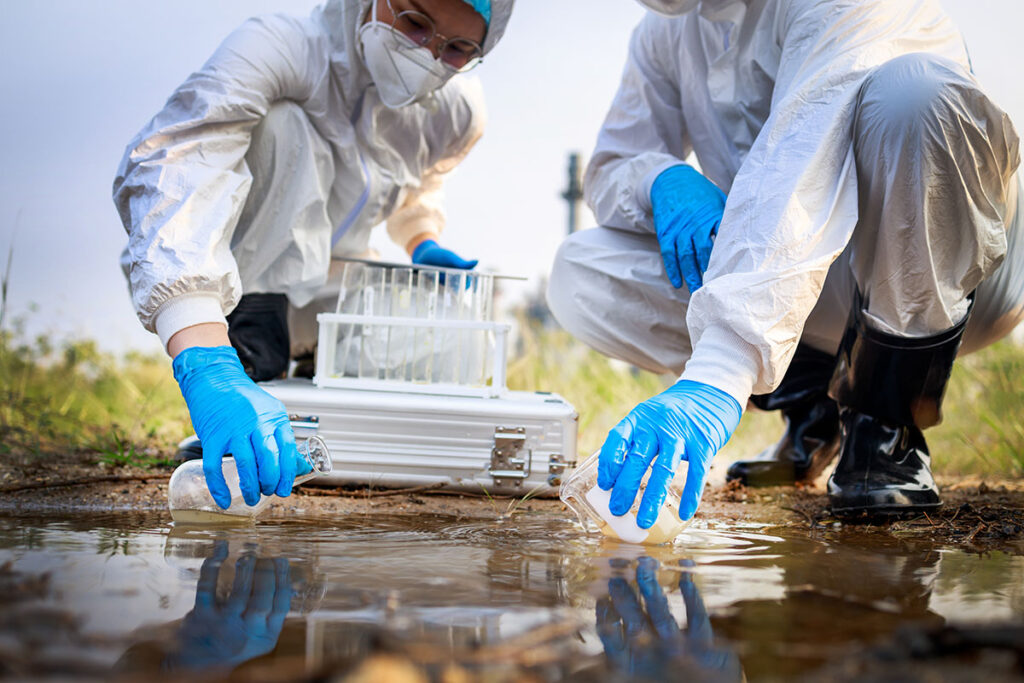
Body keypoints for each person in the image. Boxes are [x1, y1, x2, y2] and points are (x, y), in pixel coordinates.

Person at [547, 0, 1024, 526]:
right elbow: (614, 163)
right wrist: (659, 178)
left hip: (949, 263)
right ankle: (811, 413)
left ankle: (884, 428)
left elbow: (801, 166)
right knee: (583, 269)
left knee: (915, 97)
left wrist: (718, 374)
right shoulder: (666, 28)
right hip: (803, 280)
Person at [113, 0, 514, 509]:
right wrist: (203, 357)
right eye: (415, 23)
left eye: (457, 49)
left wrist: (421, 240)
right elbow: (177, 160)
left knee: (452, 340)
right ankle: (248, 368)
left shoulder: (455, 109)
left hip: (332, 287)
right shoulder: (282, 48)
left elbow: (421, 181)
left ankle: (303, 394)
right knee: (284, 128)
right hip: (230, 288)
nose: (429, 55)